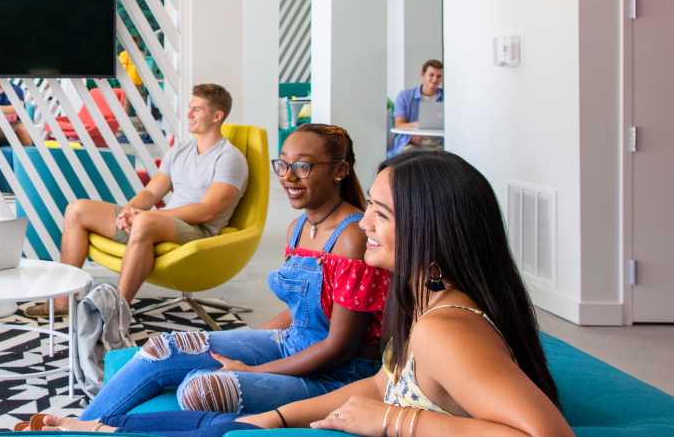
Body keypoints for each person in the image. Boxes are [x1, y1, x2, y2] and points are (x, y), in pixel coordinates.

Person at [47, 151, 571, 437]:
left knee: (206, 404)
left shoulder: (446, 328)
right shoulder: (421, 305)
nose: (365, 223)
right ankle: (97, 424)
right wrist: (273, 418)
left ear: (429, 233)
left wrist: (395, 421)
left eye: (381, 215)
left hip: (322, 365)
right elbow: (379, 385)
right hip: (307, 365)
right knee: (211, 420)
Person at [41, 124, 386, 421]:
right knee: (164, 347)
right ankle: (79, 426)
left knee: (200, 387)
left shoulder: (351, 237)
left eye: (303, 166)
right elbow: (308, 310)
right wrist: (249, 339)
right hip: (291, 344)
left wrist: (254, 369)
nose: (288, 176)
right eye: (282, 164)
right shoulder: (297, 228)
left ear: (340, 170)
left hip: (337, 374)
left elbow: (339, 346)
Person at [30, 84, 248, 316]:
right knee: (77, 209)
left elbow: (207, 211)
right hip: (162, 223)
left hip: (198, 231)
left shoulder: (229, 158)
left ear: (217, 116)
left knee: (144, 222)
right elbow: (152, 193)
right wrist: (128, 211)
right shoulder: (180, 150)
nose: (188, 115)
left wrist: (147, 216)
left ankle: (116, 313)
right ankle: (63, 302)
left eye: (197, 110)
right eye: (189, 108)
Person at [389, 59, 444, 157]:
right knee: (407, 157)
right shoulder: (405, 96)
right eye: (431, 75)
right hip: (412, 144)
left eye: (439, 76)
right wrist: (419, 125)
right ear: (423, 74)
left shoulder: (447, 97)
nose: (435, 79)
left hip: (439, 144)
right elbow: (399, 124)